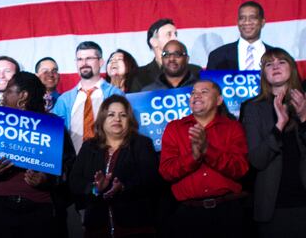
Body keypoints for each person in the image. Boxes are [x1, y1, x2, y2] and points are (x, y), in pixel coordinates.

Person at [0, 72, 75, 237]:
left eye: (8, 91)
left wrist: (46, 179)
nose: (4, 95)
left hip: (40, 210)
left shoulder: (51, 125)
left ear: (23, 96)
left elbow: (68, 166)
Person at [158, 80, 249, 238]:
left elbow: (240, 169)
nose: (196, 96)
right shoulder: (174, 128)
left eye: (204, 92)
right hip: (188, 216)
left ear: (219, 100)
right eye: (193, 92)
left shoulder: (232, 127)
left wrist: (207, 150)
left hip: (228, 213)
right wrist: (193, 157)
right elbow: (166, 172)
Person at [70, 95, 159, 237]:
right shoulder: (89, 147)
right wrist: (95, 189)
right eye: (111, 114)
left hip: (135, 226)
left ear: (129, 120)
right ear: (102, 119)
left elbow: (151, 178)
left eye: (123, 115)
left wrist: (123, 187)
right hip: (97, 227)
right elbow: (74, 181)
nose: (117, 119)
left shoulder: (142, 144)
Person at [241, 48, 306, 237]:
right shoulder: (253, 108)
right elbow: (257, 160)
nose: (275, 66)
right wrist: (279, 125)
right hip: (274, 207)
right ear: (264, 74)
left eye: (281, 62)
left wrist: (304, 118)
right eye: (269, 64)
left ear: (292, 68)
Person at [52, 42, 124, 153]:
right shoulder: (64, 100)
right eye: (80, 59)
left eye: (89, 58)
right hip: (75, 160)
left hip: (107, 158)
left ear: (101, 62)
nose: (84, 63)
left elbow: (124, 131)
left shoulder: (115, 94)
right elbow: (54, 136)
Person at [208, 1, 274, 71]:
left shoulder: (277, 56)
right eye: (242, 18)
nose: (247, 22)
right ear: (237, 22)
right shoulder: (217, 55)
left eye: (253, 18)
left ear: (262, 22)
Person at [135, 19, 201, 89]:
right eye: (169, 34)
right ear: (154, 42)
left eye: (175, 34)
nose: (175, 38)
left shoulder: (195, 71)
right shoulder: (139, 75)